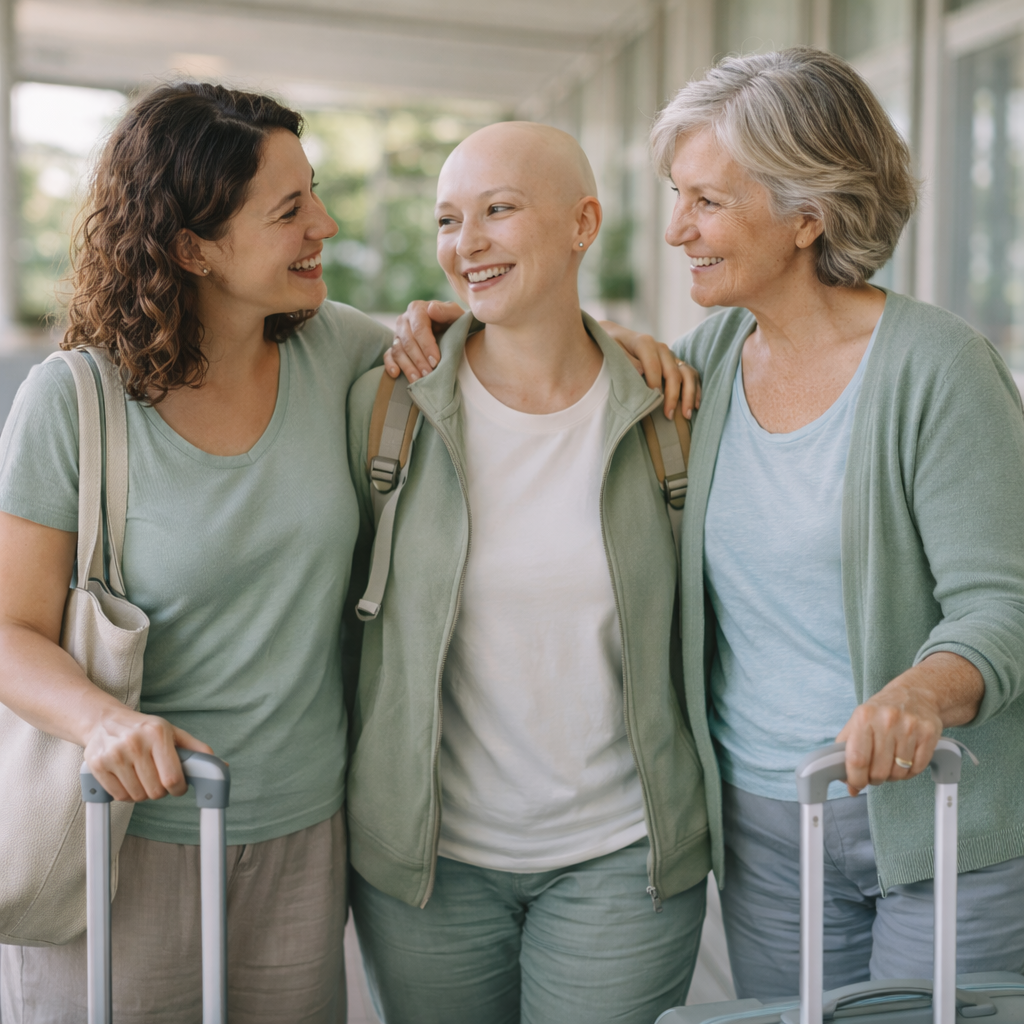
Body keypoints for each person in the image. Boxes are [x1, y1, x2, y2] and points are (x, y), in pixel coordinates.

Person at [391, 49, 1024, 1000]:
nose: (678, 228)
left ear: (808, 216)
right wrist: (458, 321)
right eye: (677, 196)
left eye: (708, 204)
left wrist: (921, 696)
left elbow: (1002, 601)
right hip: (769, 827)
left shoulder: (938, 368)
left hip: (935, 819)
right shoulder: (706, 362)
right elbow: (569, 373)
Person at [0, 82, 399, 1023]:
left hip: (304, 832)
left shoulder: (336, 351)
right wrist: (101, 720)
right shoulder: (76, 401)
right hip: (121, 835)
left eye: (318, 195)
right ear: (191, 249)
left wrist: (623, 349)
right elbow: (10, 629)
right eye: (290, 210)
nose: (327, 225)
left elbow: (492, 357)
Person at [345, 121, 714, 1024]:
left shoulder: (668, 412)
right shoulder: (385, 406)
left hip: (625, 860)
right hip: (429, 869)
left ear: (582, 223)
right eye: (447, 219)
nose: (464, 244)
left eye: (497, 211)